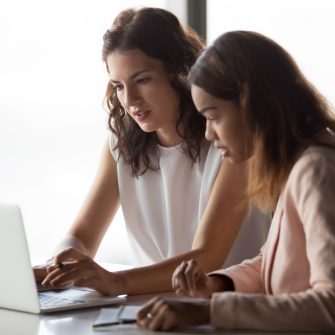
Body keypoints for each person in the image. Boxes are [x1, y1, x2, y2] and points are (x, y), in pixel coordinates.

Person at [34, 9, 269, 296]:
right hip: (151, 307)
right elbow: (82, 235)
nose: (130, 100)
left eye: (142, 80)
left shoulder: (229, 140)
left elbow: (207, 258)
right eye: (118, 86)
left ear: (180, 73)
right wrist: (56, 265)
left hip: (226, 309)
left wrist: (115, 282)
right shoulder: (121, 142)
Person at [137, 30, 335, 332]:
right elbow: (271, 259)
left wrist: (209, 312)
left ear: (254, 106)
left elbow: (330, 305)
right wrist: (215, 285)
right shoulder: (298, 163)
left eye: (213, 116)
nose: (208, 133)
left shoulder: (316, 171)